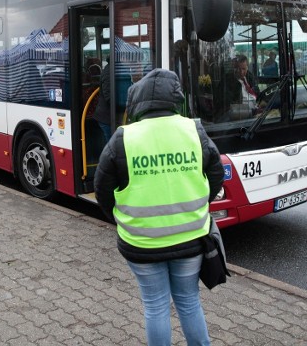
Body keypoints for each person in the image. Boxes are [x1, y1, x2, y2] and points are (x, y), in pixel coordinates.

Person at [94, 69, 224, 346]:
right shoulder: (194, 130)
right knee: (189, 302)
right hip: (191, 238)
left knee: (155, 307)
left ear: (137, 101)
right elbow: (215, 175)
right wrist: (198, 206)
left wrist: (120, 218)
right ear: (175, 98)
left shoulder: (122, 138)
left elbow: (102, 189)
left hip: (141, 243)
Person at [92, 60, 112, 142]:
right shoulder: (109, 72)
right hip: (106, 117)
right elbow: (109, 97)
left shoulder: (115, 69)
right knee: (111, 147)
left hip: (108, 115)